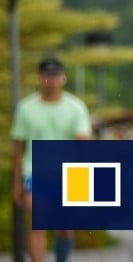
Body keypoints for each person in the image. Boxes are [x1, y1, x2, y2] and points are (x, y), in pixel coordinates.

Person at [11, 57, 93, 262]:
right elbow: (18, 148)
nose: (51, 80)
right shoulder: (26, 108)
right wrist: (16, 183)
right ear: (40, 78)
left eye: (55, 75)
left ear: (63, 78)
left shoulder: (75, 107)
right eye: (47, 75)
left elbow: (83, 145)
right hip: (35, 172)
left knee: (64, 228)